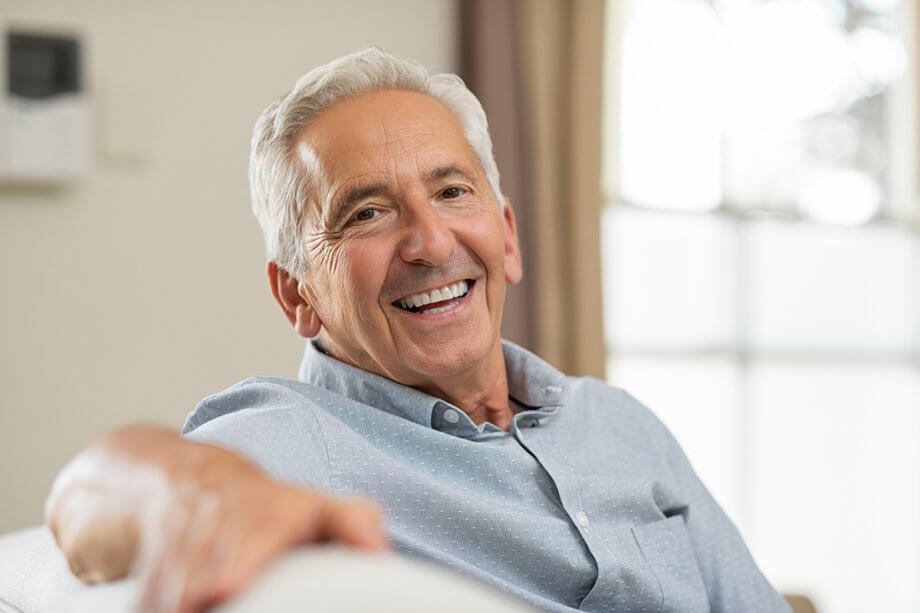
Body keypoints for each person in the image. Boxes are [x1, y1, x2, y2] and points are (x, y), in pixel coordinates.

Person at [46, 48, 791, 613]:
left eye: (451, 190)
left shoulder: (622, 423)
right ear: (297, 295)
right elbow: (88, 495)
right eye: (366, 212)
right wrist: (198, 492)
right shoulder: (302, 440)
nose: (431, 243)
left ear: (506, 236)